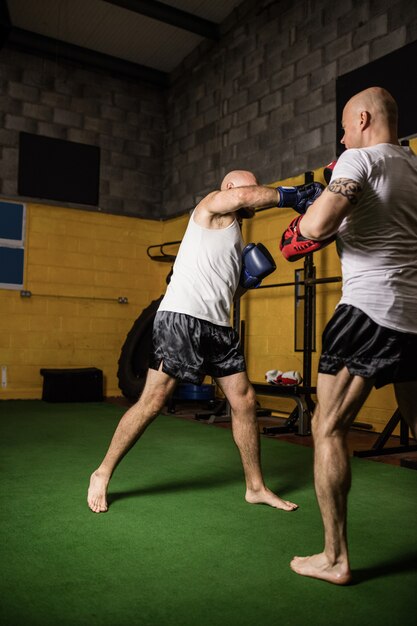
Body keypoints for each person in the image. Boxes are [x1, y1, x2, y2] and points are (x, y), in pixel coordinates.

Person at [88, 170, 321, 514]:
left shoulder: (234, 238)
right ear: (229, 188)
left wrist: (249, 281)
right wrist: (292, 196)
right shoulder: (210, 207)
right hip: (182, 318)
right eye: (248, 186)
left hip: (218, 327)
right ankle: (102, 472)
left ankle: (255, 487)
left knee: (244, 400)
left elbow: (229, 293)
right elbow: (245, 198)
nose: (253, 192)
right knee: (154, 400)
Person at [282, 87, 417, 584]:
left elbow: (313, 229)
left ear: (362, 119)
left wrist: (308, 215)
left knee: (328, 429)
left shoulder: (356, 160)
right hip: (415, 316)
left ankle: (335, 558)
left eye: (343, 127)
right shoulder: (414, 167)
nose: (341, 138)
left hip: (367, 309)